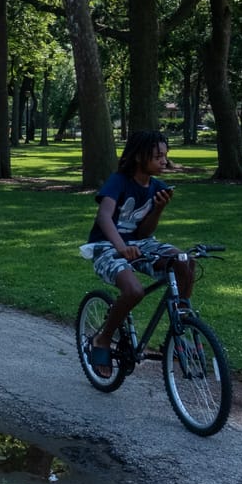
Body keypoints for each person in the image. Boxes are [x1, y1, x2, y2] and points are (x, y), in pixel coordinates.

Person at [81, 130, 193, 373]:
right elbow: (103, 217)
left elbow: (143, 233)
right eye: (157, 156)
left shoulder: (159, 187)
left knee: (185, 261)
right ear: (139, 157)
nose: (164, 160)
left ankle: (179, 331)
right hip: (107, 246)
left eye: (165, 155)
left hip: (140, 243)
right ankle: (103, 338)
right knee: (134, 291)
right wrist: (121, 248)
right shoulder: (119, 181)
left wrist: (158, 209)